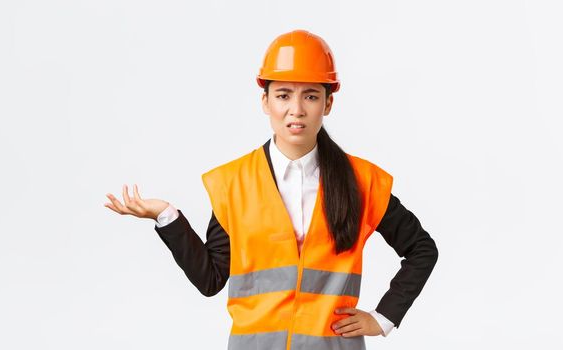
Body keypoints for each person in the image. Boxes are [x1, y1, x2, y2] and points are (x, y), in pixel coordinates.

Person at [104, 29, 438, 350]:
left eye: (310, 95)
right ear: (265, 101)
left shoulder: (361, 181)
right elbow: (210, 280)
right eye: (283, 95)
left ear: (328, 103)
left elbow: (422, 249)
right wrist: (166, 216)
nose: (297, 109)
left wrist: (383, 318)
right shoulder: (233, 183)